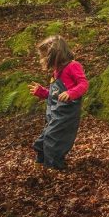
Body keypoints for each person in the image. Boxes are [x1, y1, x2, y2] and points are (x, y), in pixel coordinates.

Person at [27, 35, 88, 169]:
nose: (43, 60)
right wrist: (42, 92)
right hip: (54, 114)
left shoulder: (73, 66)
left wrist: (71, 93)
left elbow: (83, 84)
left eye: (45, 57)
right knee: (42, 140)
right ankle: (42, 163)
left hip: (66, 114)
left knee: (54, 140)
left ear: (55, 54)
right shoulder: (57, 72)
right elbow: (55, 94)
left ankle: (55, 168)